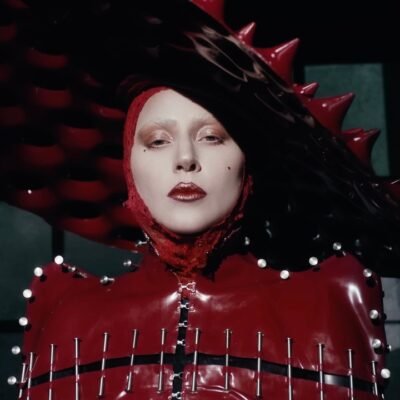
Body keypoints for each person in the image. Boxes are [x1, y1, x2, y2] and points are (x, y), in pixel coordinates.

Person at [4, 0, 400, 399]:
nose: (185, 159)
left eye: (212, 137)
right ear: (129, 165)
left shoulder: (329, 301)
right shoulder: (66, 312)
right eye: (157, 141)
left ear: (248, 163)